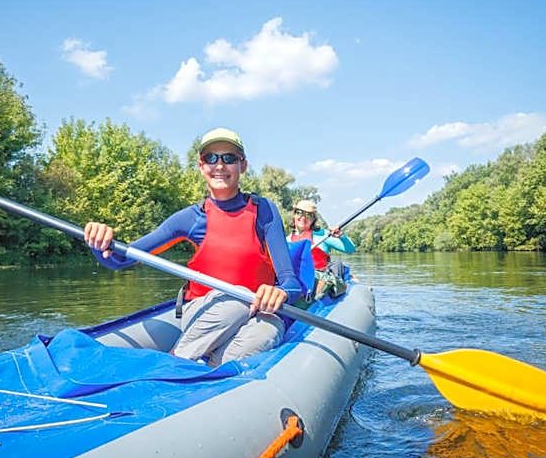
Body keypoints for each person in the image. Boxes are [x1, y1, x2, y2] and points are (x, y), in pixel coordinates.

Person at [84, 127, 302, 367]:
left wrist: (280, 293)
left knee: (267, 331)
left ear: (243, 166)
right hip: (209, 312)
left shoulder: (264, 211)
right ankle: (175, 363)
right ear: (201, 166)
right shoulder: (190, 218)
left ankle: (206, 370)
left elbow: (291, 282)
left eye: (229, 158)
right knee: (236, 302)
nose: (219, 165)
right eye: (211, 158)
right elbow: (119, 260)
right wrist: (99, 241)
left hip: (257, 314)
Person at [287, 199, 356, 300]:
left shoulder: (323, 235)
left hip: (320, 279)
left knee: (336, 264)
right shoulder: (286, 240)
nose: (303, 217)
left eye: (309, 215)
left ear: (313, 219)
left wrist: (342, 236)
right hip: (298, 281)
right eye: (299, 213)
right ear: (294, 215)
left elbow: (350, 249)